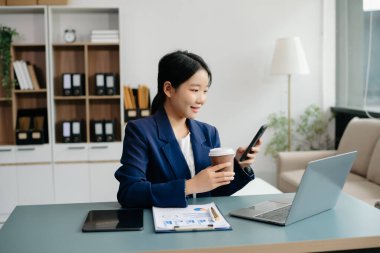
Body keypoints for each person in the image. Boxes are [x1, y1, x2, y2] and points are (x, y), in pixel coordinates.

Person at [115, 50, 261, 208]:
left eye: (205, 91)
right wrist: (190, 186)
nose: (202, 99)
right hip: (162, 226)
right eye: (195, 90)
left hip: (206, 224)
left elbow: (216, 192)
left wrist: (239, 166)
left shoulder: (209, 132)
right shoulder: (140, 131)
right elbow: (129, 192)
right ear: (168, 89)